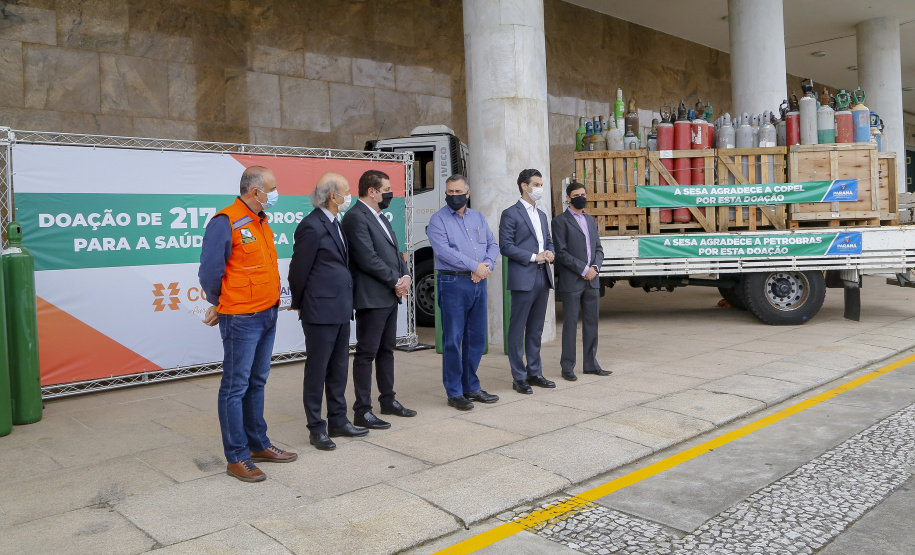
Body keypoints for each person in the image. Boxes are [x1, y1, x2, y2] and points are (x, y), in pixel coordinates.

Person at [199, 165, 297, 483]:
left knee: (257, 382)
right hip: (241, 317)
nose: (275, 193)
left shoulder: (261, 222)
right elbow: (210, 273)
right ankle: (237, 456)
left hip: (267, 313)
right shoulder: (225, 221)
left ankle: (258, 444)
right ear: (256, 192)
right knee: (235, 387)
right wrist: (221, 302)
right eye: (272, 188)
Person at [289, 172, 367, 451]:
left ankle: (338, 420)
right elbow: (298, 271)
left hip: (340, 308)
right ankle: (316, 427)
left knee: (338, 368)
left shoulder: (336, 222)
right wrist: (301, 304)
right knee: (317, 370)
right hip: (320, 310)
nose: (349, 197)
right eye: (345, 192)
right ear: (333, 196)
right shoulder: (312, 225)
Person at [341, 170, 417, 430]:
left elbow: (395, 253)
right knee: (366, 354)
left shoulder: (380, 216)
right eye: (386, 188)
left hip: (388, 295)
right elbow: (366, 257)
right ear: (371, 191)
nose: (390, 193)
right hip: (371, 297)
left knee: (387, 351)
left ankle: (388, 399)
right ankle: (362, 410)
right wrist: (395, 281)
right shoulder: (355, 217)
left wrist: (405, 275)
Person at [427, 174, 500, 410]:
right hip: (452, 283)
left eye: (459, 192)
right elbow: (443, 251)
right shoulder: (438, 220)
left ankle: (471, 386)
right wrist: (474, 266)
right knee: (453, 340)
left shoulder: (478, 217)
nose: (454, 196)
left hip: (478, 282)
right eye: (450, 192)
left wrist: (486, 265)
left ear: (467, 194)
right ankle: (455, 392)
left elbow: (493, 244)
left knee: (476, 338)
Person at [499, 169, 556, 394]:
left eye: (541, 184)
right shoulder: (510, 214)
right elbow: (506, 246)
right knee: (517, 329)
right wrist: (534, 257)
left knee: (536, 329)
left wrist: (550, 253)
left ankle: (535, 372)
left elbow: (548, 241)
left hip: (543, 276)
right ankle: (519, 377)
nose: (539, 188)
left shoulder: (542, 215)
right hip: (523, 277)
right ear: (524, 186)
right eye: (536, 184)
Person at [552, 181, 610, 380]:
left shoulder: (591, 220)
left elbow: (599, 249)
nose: (581, 197)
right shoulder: (559, 221)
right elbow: (561, 252)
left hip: (592, 280)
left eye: (583, 194)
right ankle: (567, 367)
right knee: (570, 325)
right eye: (576, 195)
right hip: (572, 281)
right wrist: (583, 269)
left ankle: (590, 364)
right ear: (568, 198)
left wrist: (594, 268)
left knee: (592, 323)